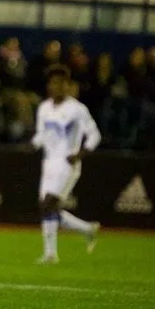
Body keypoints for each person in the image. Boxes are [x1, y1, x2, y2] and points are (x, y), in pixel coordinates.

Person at [31, 66, 101, 265]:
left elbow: (95, 135)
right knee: (46, 209)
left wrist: (80, 154)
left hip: (67, 164)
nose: (57, 86)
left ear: (68, 86)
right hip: (49, 163)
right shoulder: (44, 108)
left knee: (48, 205)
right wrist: (33, 144)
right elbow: (41, 134)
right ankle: (84, 231)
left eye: (61, 83)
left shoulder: (77, 109)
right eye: (53, 83)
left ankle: (52, 254)